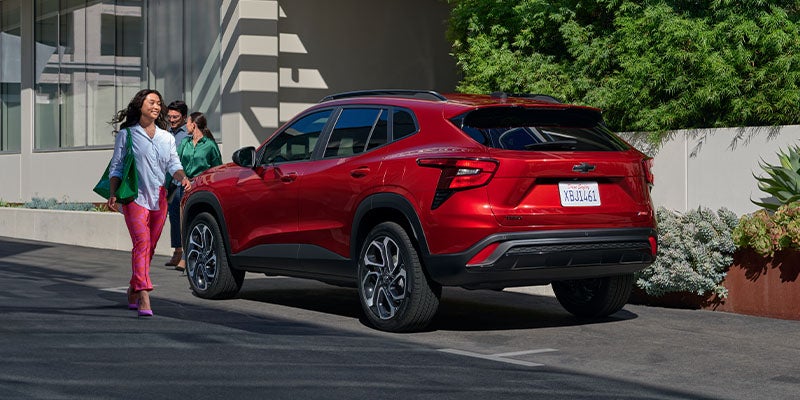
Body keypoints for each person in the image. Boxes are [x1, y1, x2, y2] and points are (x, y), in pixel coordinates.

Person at [107, 89, 191, 317]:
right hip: (134, 198)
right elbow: (116, 166)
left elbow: (174, 164)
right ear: (140, 105)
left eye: (158, 103)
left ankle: (133, 287)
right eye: (151, 102)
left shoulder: (167, 137)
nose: (156, 106)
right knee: (142, 243)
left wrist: (183, 178)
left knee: (150, 247)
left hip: (159, 198)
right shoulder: (127, 135)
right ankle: (144, 293)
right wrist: (113, 193)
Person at [174, 111, 223, 271]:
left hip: (202, 186)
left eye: (187, 122)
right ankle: (184, 256)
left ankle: (201, 255)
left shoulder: (210, 145)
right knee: (184, 222)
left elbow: (217, 168)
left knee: (199, 221)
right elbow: (176, 163)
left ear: (193, 124)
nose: (185, 126)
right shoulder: (185, 144)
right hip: (185, 185)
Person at [165, 100, 189, 267]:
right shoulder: (166, 133)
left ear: (184, 117)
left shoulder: (187, 134)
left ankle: (186, 256)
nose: (172, 120)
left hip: (184, 182)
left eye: (175, 117)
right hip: (170, 183)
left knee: (184, 218)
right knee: (173, 218)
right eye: (170, 116)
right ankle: (177, 251)